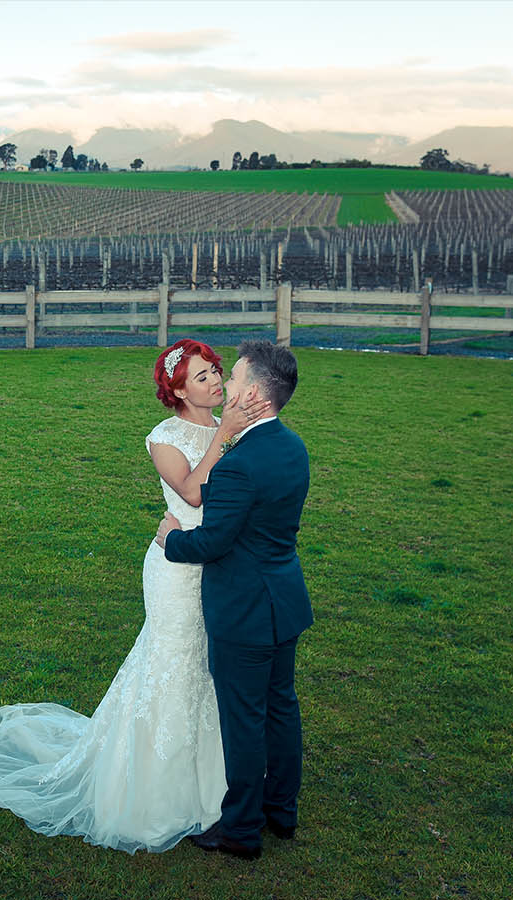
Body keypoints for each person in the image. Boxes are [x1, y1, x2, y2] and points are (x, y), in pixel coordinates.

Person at [0, 338, 271, 854]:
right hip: (175, 570)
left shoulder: (234, 426)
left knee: (212, 669)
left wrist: (235, 430)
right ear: (176, 390)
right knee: (174, 663)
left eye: (217, 371)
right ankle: (159, 793)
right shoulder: (164, 437)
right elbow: (193, 492)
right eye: (202, 377)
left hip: (221, 564)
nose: (217, 382)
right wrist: (226, 434)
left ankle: (222, 782)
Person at [157, 339, 311, 862]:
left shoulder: (240, 463)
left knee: (244, 719)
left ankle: (242, 829)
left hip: (243, 610)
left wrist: (169, 539)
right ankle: (282, 812)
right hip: (283, 601)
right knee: (281, 708)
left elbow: (212, 542)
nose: (228, 387)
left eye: (236, 379)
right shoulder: (293, 447)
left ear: (258, 398)